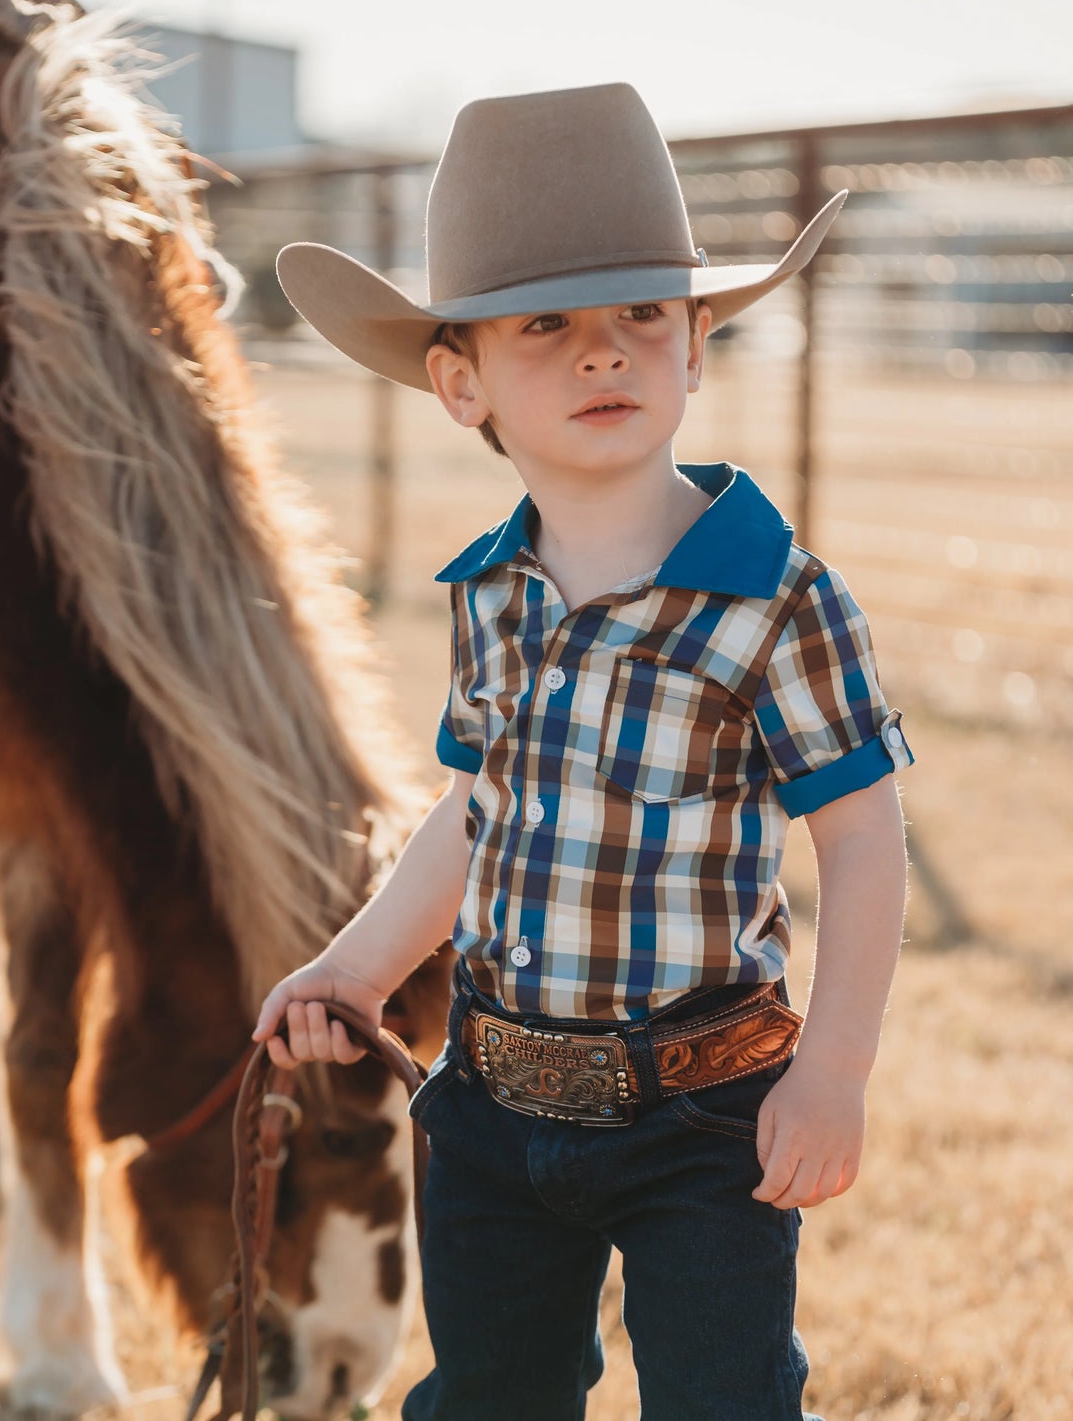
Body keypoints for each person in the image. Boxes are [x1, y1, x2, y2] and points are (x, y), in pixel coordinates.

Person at [256, 82, 914, 1420]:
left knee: (721, 1396)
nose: (601, 355)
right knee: (493, 1391)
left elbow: (861, 838)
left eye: (638, 318)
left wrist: (832, 1067)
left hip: (702, 1111)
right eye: (545, 325)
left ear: (694, 351)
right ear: (459, 382)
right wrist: (357, 967)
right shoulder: (487, 593)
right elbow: (472, 813)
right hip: (491, 1101)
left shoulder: (775, 598)